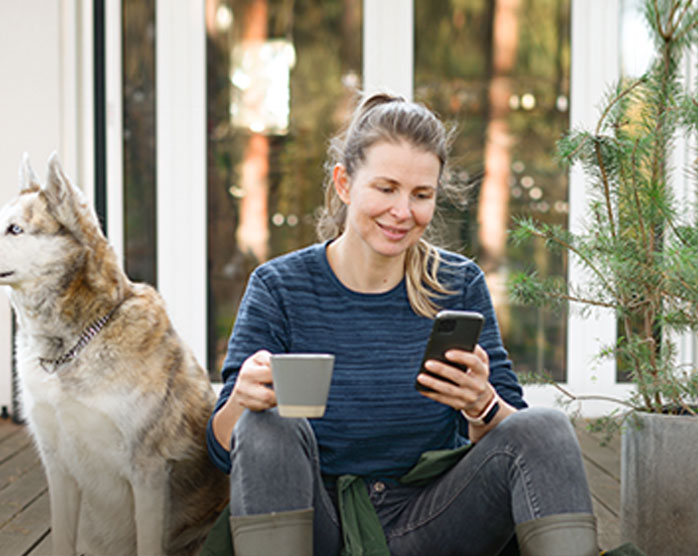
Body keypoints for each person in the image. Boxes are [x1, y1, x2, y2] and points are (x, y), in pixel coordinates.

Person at [204, 91, 599, 556]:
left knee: (546, 427)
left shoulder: (458, 284)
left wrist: (481, 406)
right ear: (345, 184)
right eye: (386, 188)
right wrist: (243, 403)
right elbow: (223, 447)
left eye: (421, 195)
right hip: (319, 526)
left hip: (432, 521)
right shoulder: (279, 287)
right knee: (265, 424)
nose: (402, 212)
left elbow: (519, 441)